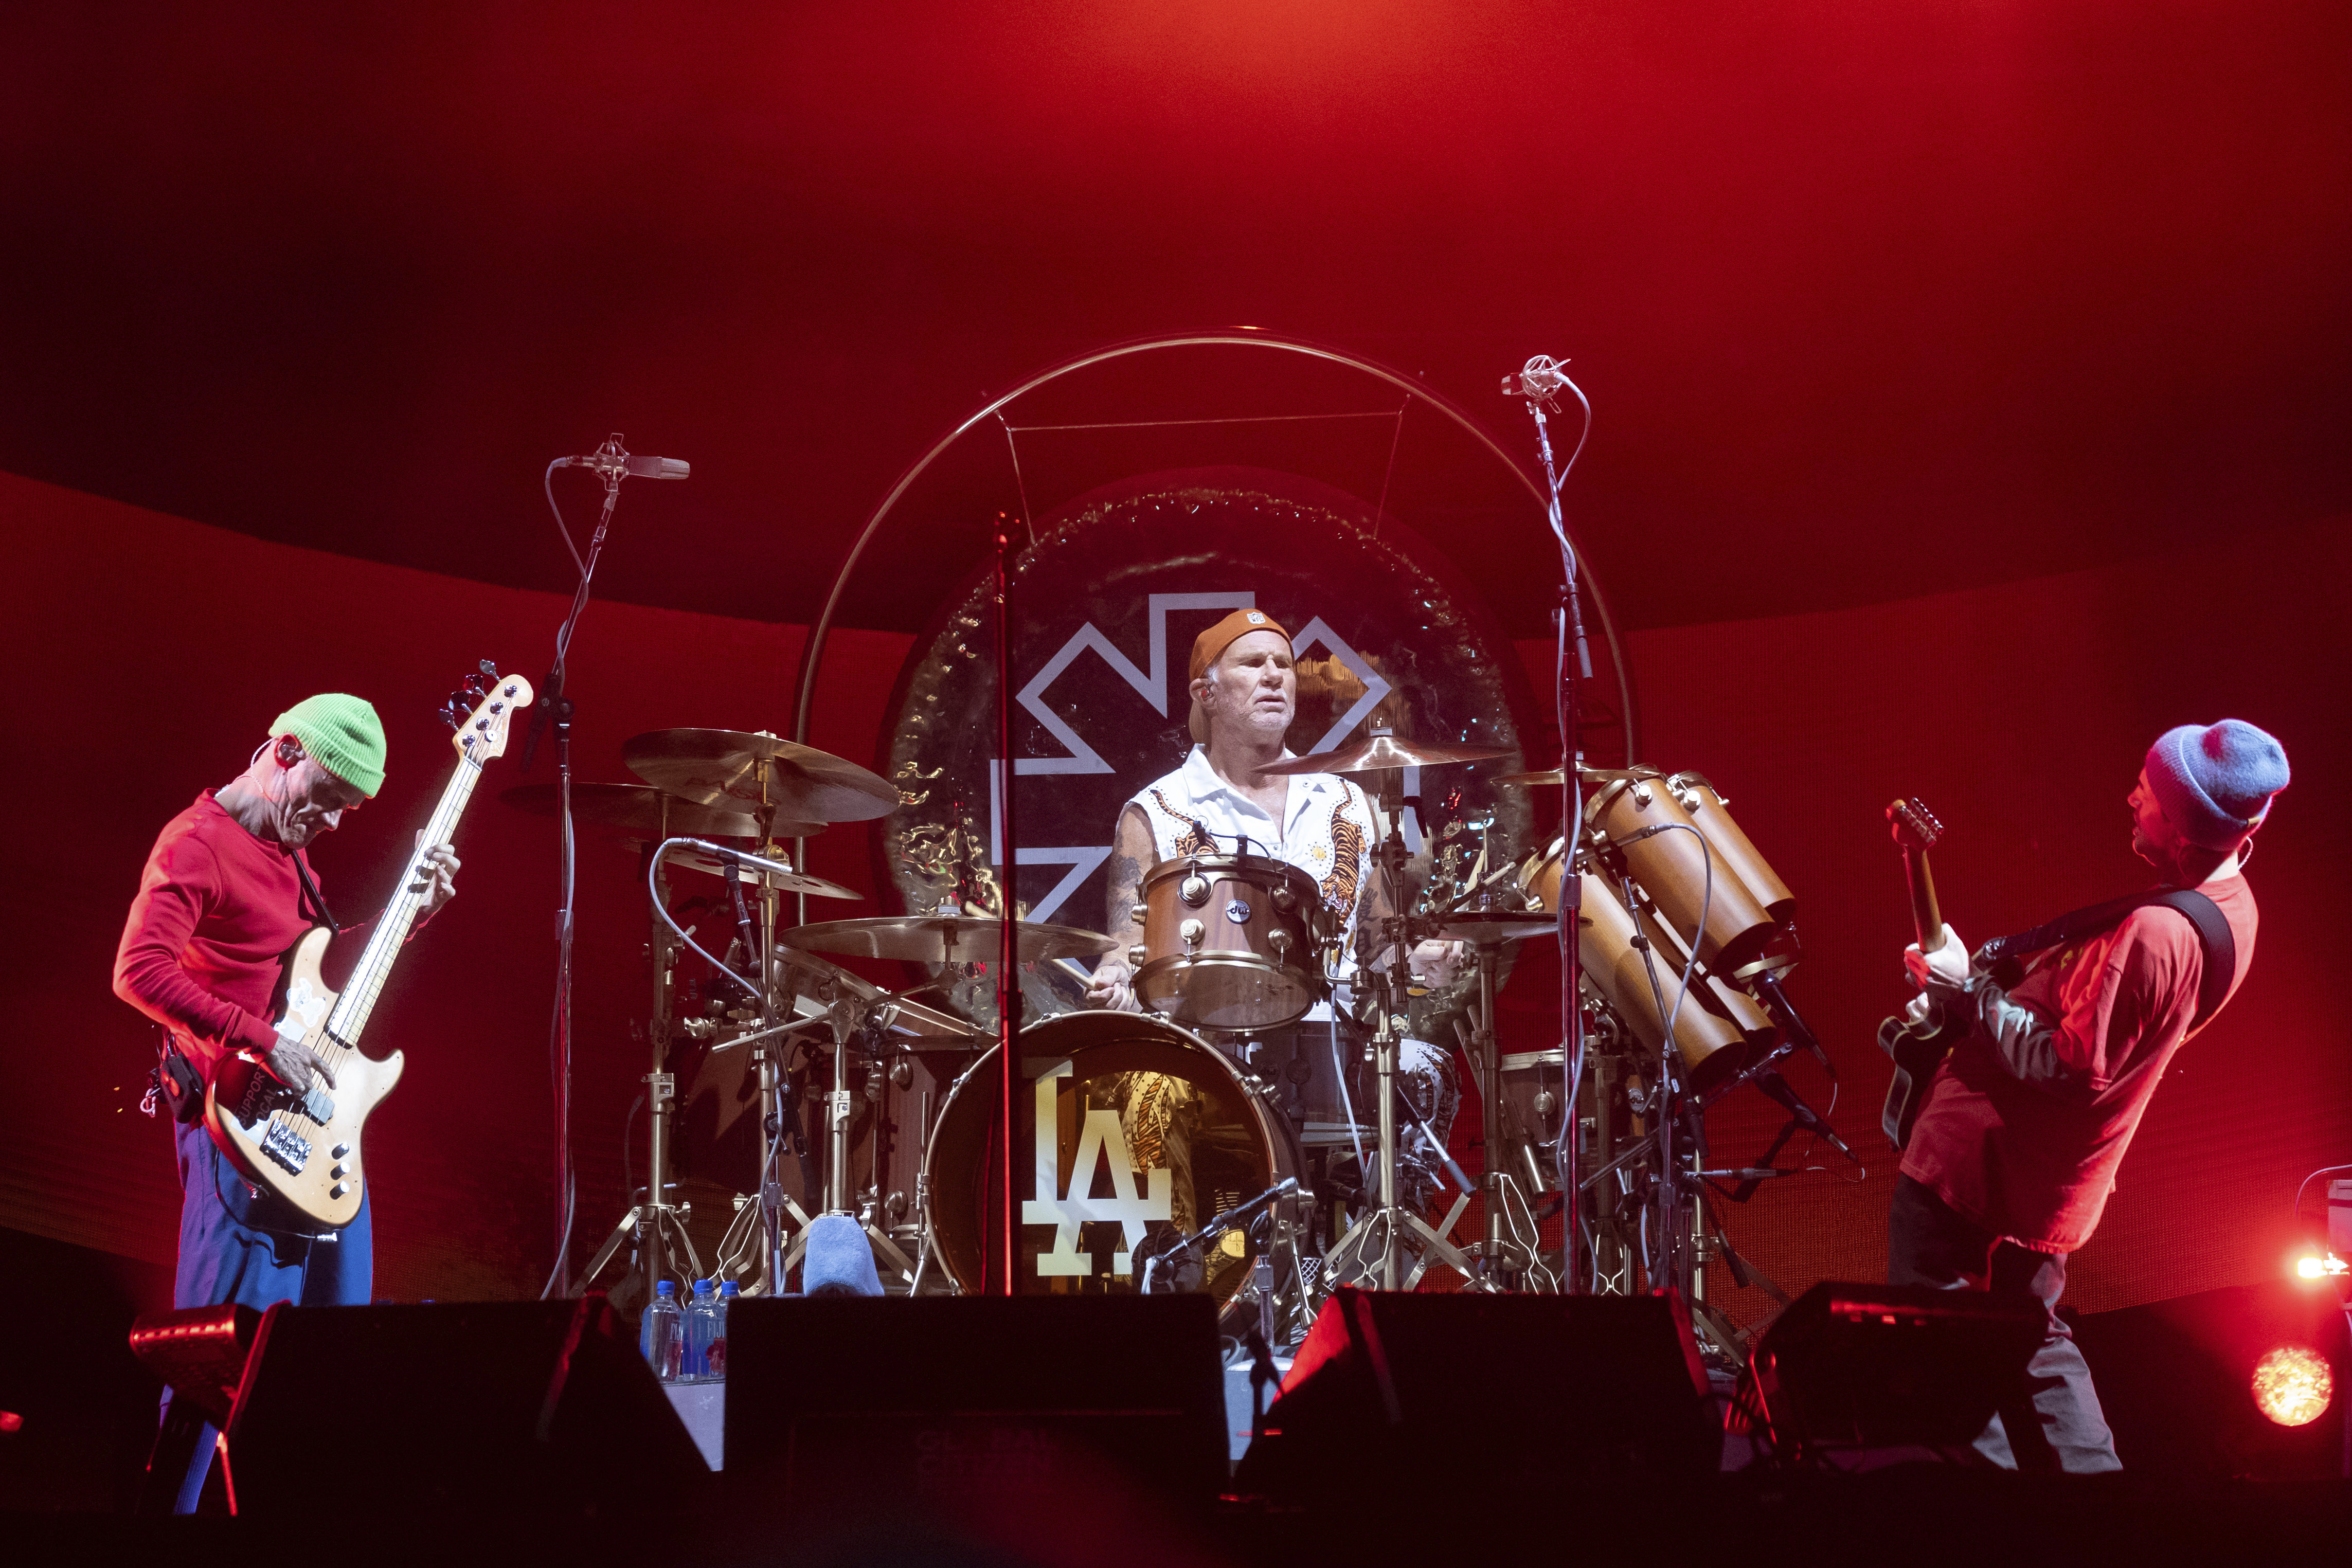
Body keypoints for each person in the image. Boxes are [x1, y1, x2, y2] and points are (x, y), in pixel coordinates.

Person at [1895, 718, 2288, 1472]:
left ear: (2180, 826)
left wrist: (1969, 994)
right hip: (2053, 1185)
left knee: (1946, 1367)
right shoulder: (2231, 906)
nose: (2130, 796)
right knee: (2034, 1345)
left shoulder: (2154, 933)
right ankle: (2107, 1522)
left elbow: (2071, 1069)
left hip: (1981, 1169)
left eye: (2148, 793)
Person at [112, 694, 459, 1511]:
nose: (336, 824)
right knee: (213, 1361)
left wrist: (409, 919)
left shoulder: (286, 850)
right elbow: (137, 971)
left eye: (350, 809)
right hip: (237, 1132)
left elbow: (298, 970)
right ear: (287, 749)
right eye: (331, 799)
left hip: (309, 1130)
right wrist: (258, 1041)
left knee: (326, 1358)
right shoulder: (196, 843)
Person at [1083, 609, 1464, 1238]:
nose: (1274, 677)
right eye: (1252, 663)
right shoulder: (1155, 810)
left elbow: (1375, 940)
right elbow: (1128, 943)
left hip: (1333, 1046)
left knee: (1427, 1068)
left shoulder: (1346, 801)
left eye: (1282, 665)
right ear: (1206, 691)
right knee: (1147, 1098)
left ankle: (1370, 1260)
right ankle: (1200, 1283)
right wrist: (1114, 974)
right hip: (1210, 1050)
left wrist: (1422, 959)